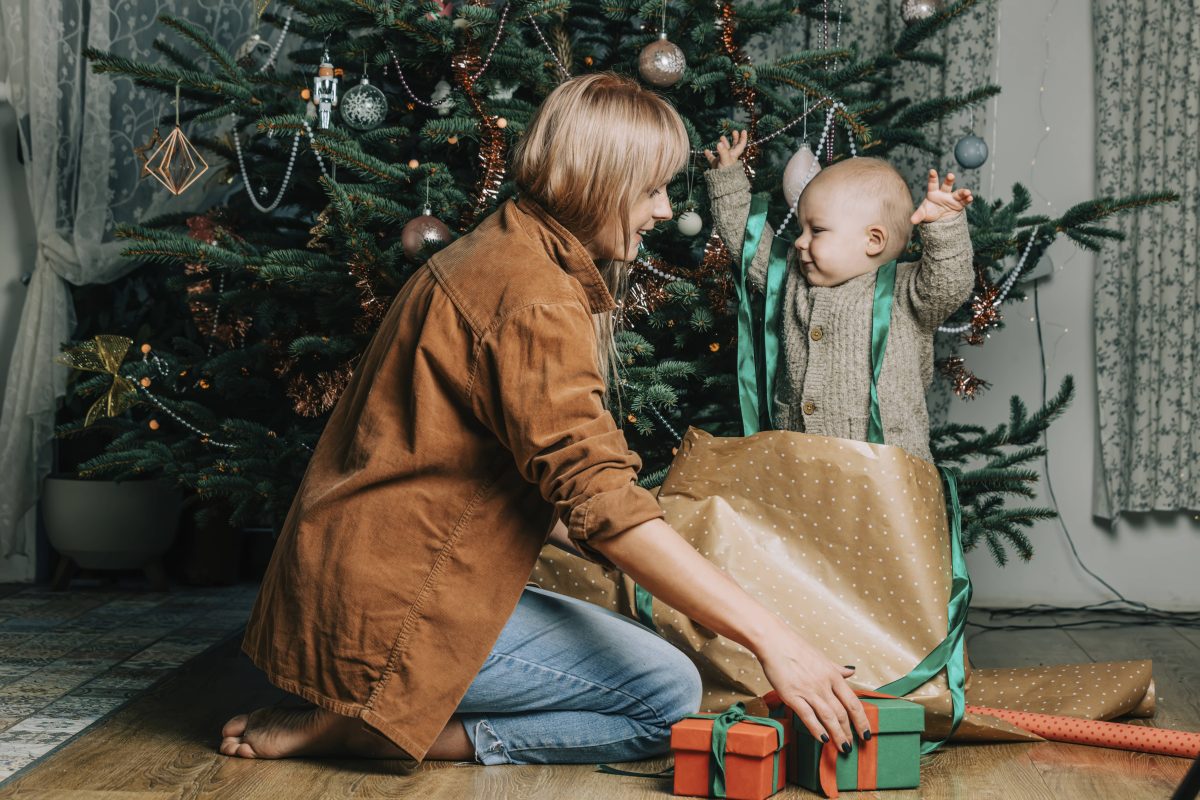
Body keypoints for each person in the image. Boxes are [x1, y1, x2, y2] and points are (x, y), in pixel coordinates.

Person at [219, 73, 869, 767]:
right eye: (651, 190)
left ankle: (371, 717)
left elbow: (529, 490)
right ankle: (371, 729)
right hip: (386, 610)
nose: (662, 211)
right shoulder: (534, 297)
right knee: (666, 693)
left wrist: (675, 573)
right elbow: (598, 500)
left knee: (651, 636)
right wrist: (777, 642)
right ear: (597, 182)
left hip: (346, 584)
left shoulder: (502, 247)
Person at [704, 131, 975, 462]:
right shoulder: (793, 278)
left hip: (886, 474)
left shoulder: (904, 292)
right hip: (802, 467)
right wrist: (728, 179)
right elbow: (751, 244)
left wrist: (945, 225)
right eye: (802, 229)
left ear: (873, 240)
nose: (800, 242)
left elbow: (950, 282)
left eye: (816, 231)